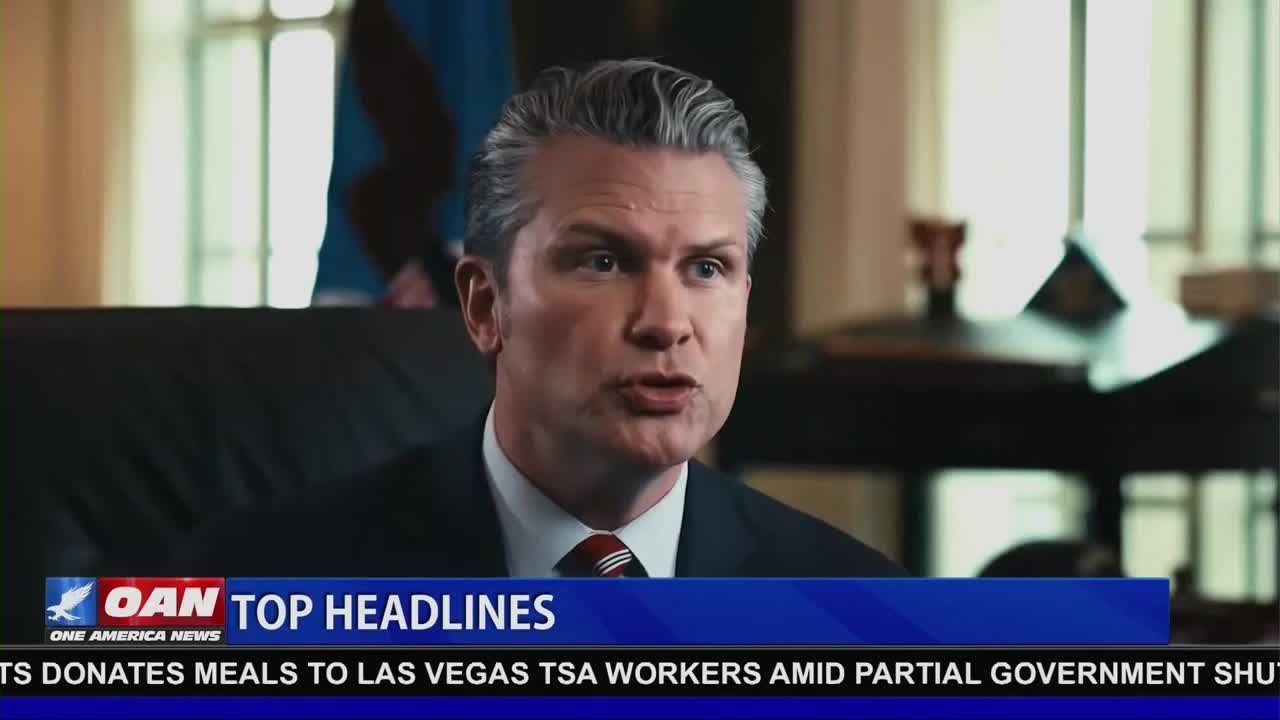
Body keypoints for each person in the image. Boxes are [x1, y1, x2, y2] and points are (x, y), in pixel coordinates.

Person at [179, 59, 903, 579]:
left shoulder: (858, 605)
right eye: (604, 262)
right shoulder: (245, 585)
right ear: (485, 306)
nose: (665, 323)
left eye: (706, 269)